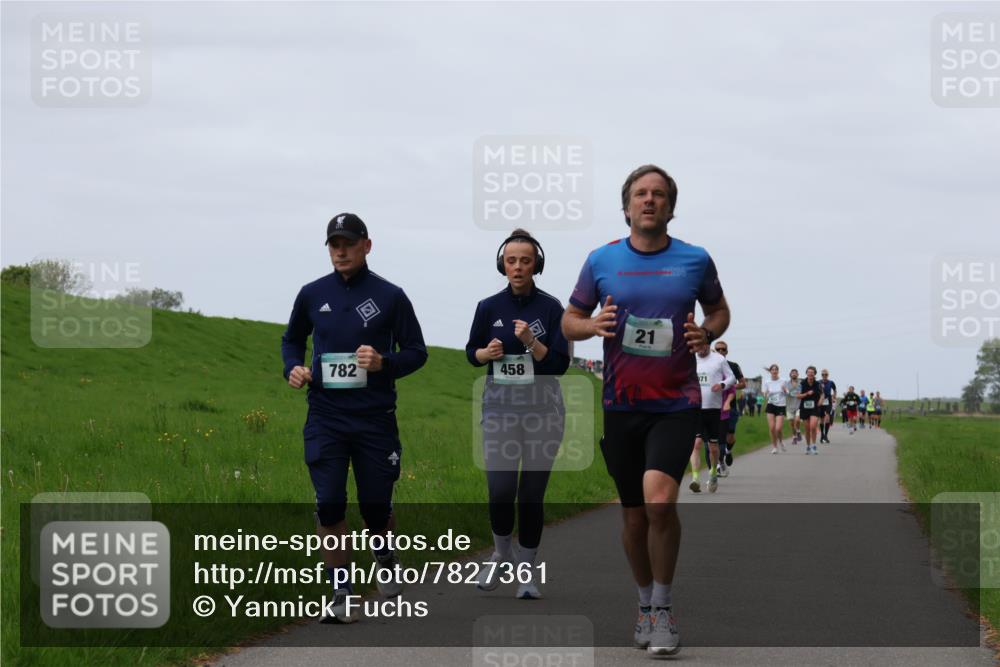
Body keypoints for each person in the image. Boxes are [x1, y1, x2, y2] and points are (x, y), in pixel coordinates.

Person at [562, 164, 730, 657]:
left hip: (676, 402)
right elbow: (569, 321)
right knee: (634, 518)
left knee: (660, 501)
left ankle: (662, 607)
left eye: (659, 194)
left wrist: (708, 332)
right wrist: (592, 325)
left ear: (671, 207)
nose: (649, 200)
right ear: (627, 206)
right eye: (641, 193)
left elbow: (720, 310)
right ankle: (643, 603)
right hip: (622, 404)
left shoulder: (695, 259)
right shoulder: (601, 260)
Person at [281, 213, 428, 624]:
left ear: (367, 245)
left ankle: (384, 553)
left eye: (348, 243)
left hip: (374, 418)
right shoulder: (312, 294)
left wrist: (384, 362)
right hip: (325, 415)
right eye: (334, 244)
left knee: (375, 507)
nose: (341, 251)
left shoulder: (391, 296)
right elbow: (292, 340)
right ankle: (341, 591)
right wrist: (293, 367)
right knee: (329, 503)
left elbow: (417, 352)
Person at [466, 229, 570, 599]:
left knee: (530, 494)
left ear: (536, 264)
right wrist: (486, 354)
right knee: (500, 489)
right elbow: (471, 353)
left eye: (526, 261)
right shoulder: (488, 307)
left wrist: (532, 342)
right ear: (502, 264)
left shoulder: (552, 308)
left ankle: (526, 571)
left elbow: (560, 365)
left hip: (543, 412)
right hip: (500, 410)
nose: (518, 267)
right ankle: (501, 553)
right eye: (511, 260)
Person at [689, 345, 735, 492]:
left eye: (703, 344)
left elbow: (732, 378)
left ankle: (713, 472)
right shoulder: (690, 359)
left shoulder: (719, 359)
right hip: (695, 407)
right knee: (696, 444)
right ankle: (695, 478)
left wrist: (722, 384)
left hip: (713, 409)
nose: (701, 348)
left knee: (713, 447)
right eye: (698, 345)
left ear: (708, 344)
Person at [713, 340, 746, 474]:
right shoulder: (709, 366)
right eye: (718, 349)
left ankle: (728, 450)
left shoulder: (733, 366)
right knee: (716, 437)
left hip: (730, 406)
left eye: (723, 349)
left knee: (730, 437)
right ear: (714, 351)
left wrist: (729, 386)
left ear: (727, 351)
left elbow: (743, 383)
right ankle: (718, 464)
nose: (721, 351)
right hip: (714, 406)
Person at [762, 364, 788, 453]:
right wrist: (766, 393)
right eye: (772, 370)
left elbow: (787, 393)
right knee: (772, 428)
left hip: (781, 406)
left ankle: (781, 441)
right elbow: (765, 394)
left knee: (778, 428)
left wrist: (785, 390)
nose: (774, 371)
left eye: (776, 369)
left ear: (778, 371)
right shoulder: (767, 382)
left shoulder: (783, 381)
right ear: (770, 371)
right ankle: (774, 447)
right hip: (771, 405)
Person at [797, 366, 823, 455]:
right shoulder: (802, 383)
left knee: (813, 426)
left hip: (815, 407)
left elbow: (822, 394)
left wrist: (820, 401)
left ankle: (814, 445)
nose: (810, 373)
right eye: (809, 372)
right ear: (806, 373)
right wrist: (806, 394)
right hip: (804, 408)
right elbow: (798, 396)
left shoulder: (818, 384)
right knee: (807, 429)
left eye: (812, 372)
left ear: (814, 374)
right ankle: (808, 446)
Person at [818, 369, 837, 444]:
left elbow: (835, 390)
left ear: (828, 375)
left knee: (828, 417)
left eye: (826, 374)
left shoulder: (831, 382)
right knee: (822, 419)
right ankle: (822, 435)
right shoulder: (818, 382)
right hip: (821, 400)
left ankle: (826, 435)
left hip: (828, 400)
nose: (824, 376)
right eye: (823, 374)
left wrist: (834, 397)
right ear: (821, 375)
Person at [786, 369, 802, 444]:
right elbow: (784, 392)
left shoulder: (801, 383)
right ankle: (794, 436)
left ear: (798, 374)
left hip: (799, 405)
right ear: (790, 375)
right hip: (789, 406)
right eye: (793, 373)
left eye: (795, 373)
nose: (794, 374)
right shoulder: (787, 384)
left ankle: (798, 431)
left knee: (797, 420)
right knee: (792, 424)